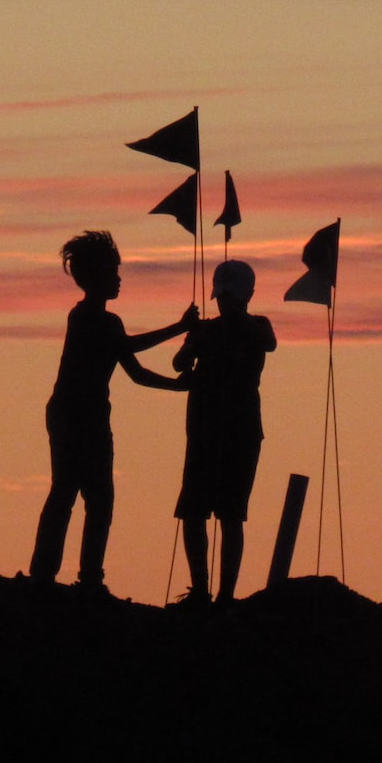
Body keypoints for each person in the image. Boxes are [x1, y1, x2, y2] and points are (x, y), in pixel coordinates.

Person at [29, 231, 194, 590]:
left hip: (92, 418)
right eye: (113, 271)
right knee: (67, 493)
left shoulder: (109, 322)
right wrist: (179, 327)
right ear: (94, 276)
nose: (119, 279)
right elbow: (128, 347)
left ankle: (88, 576)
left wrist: (178, 385)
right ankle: (45, 575)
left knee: (99, 499)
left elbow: (136, 374)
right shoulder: (87, 318)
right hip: (72, 417)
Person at [171, 259, 276, 605]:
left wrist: (213, 333)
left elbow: (268, 341)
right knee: (195, 511)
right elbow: (179, 363)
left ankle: (225, 596)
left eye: (230, 298)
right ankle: (201, 590)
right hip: (206, 430)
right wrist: (198, 336)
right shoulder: (209, 331)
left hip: (237, 432)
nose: (225, 303)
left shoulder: (257, 326)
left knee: (230, 514)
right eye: (223, 298)